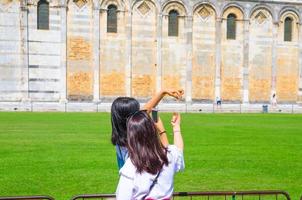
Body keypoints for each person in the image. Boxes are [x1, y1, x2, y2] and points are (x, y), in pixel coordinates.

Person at [116, 111, 184, 199]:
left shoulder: (131, 166)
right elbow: (178, 152)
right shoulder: (170, 155)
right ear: (153, 131)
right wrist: (176, 128)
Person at [111, 89, 184, 169]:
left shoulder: (121, 142)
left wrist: (163, 92)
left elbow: (146, 110)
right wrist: (163, 131)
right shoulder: (139, 151)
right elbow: (172, 162)